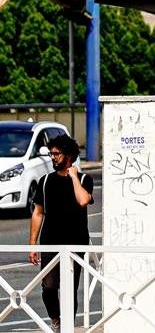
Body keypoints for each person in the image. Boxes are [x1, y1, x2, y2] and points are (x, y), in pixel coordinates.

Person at [28, 135, 94, 329]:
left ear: (69, 155)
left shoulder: (83, 179)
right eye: (51, 153)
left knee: (69, 289)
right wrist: (32, 244)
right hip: (50, 242)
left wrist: (74, 176)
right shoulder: (45, 181)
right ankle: (57, 320)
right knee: (48, 287)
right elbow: (38, 213)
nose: (52, 157)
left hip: (75, 242)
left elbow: (83, 200)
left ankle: (67, 328)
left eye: (56, 153)